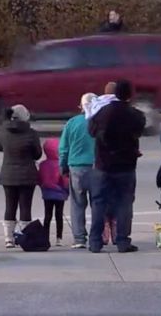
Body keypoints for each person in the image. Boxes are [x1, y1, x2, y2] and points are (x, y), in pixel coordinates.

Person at [88, 79, 146, 254]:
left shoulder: (102, 112)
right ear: (130, 94)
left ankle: (95, 242)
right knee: (125, 203)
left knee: (98, 203)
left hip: (103, 164)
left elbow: (91, 131)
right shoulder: (136, 115)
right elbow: (139, 132)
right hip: (126, 165)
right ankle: (122, 241)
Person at [0, 105, 42, 249]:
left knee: (9, 206)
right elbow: (37, 154)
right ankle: (25, 236)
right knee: (25, 206)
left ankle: (8, 238)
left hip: (8, 174)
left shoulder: (4, 132)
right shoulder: (31, 133)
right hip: (27, 174)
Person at [59, 93, 96, 249]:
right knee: (98, 204)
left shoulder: (72, 123)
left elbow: (64, 148)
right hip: (96, 167)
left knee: (77, 204)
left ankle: (79, 238)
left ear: (80, 106)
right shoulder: (99, 123)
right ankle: (97, 236)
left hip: (76, 167)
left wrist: (63, 166)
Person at [38, 138, 68, 247]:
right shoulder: (61, 165)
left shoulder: (43, 165)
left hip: (47, 193)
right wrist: (67, 190)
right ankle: (59, 238)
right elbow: (65, 180)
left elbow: (39, 178)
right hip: (60, 194)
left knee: (48, 215)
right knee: (59, 215)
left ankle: (45, 236)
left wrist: (42, 187)